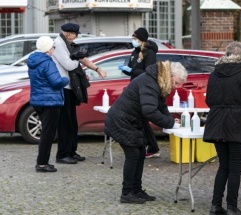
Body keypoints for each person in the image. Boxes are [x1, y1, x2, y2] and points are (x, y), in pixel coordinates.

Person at [105, 61, 186, 204]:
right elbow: (149, 111)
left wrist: (170, 121)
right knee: (133, 155)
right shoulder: (150, 82)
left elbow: (161, 105)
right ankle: (126, 193)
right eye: (177, 82)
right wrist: (170, 123)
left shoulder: (159, 80)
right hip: (121, 120)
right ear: (171, 75)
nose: (176, 86)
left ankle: (136, 190)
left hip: (131, 120)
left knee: (141, 153)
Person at [203, 41, 241, 215]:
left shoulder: (215, 74)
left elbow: (209, 101)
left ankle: (215, 205)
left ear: (226, 54)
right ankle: (231, 207)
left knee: (223, 166)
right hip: (237, 123)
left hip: (217, 123)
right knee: (235, 168)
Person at [52, 23, 107, 164]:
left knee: (73, 123)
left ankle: (71, 151)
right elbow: (69, 65)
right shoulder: (59, 44)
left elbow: (80, 58)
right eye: (75, 34)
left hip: (70, 88)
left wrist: (97, 68)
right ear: (70, 34)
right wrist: (76, 58)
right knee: (65, 123)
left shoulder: (68, 43)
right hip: (63, 88)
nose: (76, 37)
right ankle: (62, 154)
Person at [28, 36, 69, 172]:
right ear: (48, 49)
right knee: (48, 134)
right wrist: (65, 79)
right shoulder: (48, 62)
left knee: (46, 131)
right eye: (52, 47)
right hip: (50, 102)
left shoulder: (33, 61)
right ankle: (42, 163)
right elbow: (56, 82)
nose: (53, 49)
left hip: (38, 101)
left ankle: (42, 162)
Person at [118, 27, 161, 159]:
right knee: (139, 119)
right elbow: (133, 68)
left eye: (135, 38)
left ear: (141, 39)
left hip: (144, 88)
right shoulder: (135, 51)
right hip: (134, 87)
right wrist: (125, 69)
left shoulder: (150, 53)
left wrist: (131, 71)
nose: (133, 41)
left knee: (141, 119)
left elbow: (149, 72)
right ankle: (149, 146)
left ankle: (152, 147)